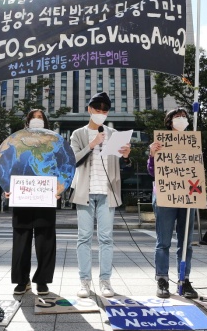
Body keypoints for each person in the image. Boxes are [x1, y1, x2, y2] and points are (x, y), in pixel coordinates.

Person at [70, 92, 131, 298]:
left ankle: (105, 281)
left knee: (106, 238)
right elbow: (73, 161)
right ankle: (84, 282)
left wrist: (125, 156)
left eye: (105, 110)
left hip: (107, 193)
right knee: (84, 238)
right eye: (98, 109)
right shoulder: (78, 134)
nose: (101, 113)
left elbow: (124, 165)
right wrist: (92, 143)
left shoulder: (114, 133)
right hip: (85, 193)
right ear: (89, 109)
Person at [6, 109, 58, 295]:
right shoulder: (16, 141)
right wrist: (7, 187)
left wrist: (60, 188)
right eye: (33, 117)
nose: (37, 120)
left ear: (46, 121)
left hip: (45, 196)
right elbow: (6, 165)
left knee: (45, 241)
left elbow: (63, 167)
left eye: (40, 117)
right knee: (21, 240)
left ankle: (42, 280)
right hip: (22, 195)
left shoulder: (55, 142)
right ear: (27, 121)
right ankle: (22, 280)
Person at [147, 107, 198, 299]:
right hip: (165, 195)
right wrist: (152, 154)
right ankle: (162, 279)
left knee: (186, 243)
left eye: (184, 116)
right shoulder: (160, 143)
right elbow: (152, 172)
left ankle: (184, 280)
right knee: (164, 241)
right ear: (169, 122)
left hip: (188, 195)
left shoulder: (193, 141)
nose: (181, 119)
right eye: (177, 117)